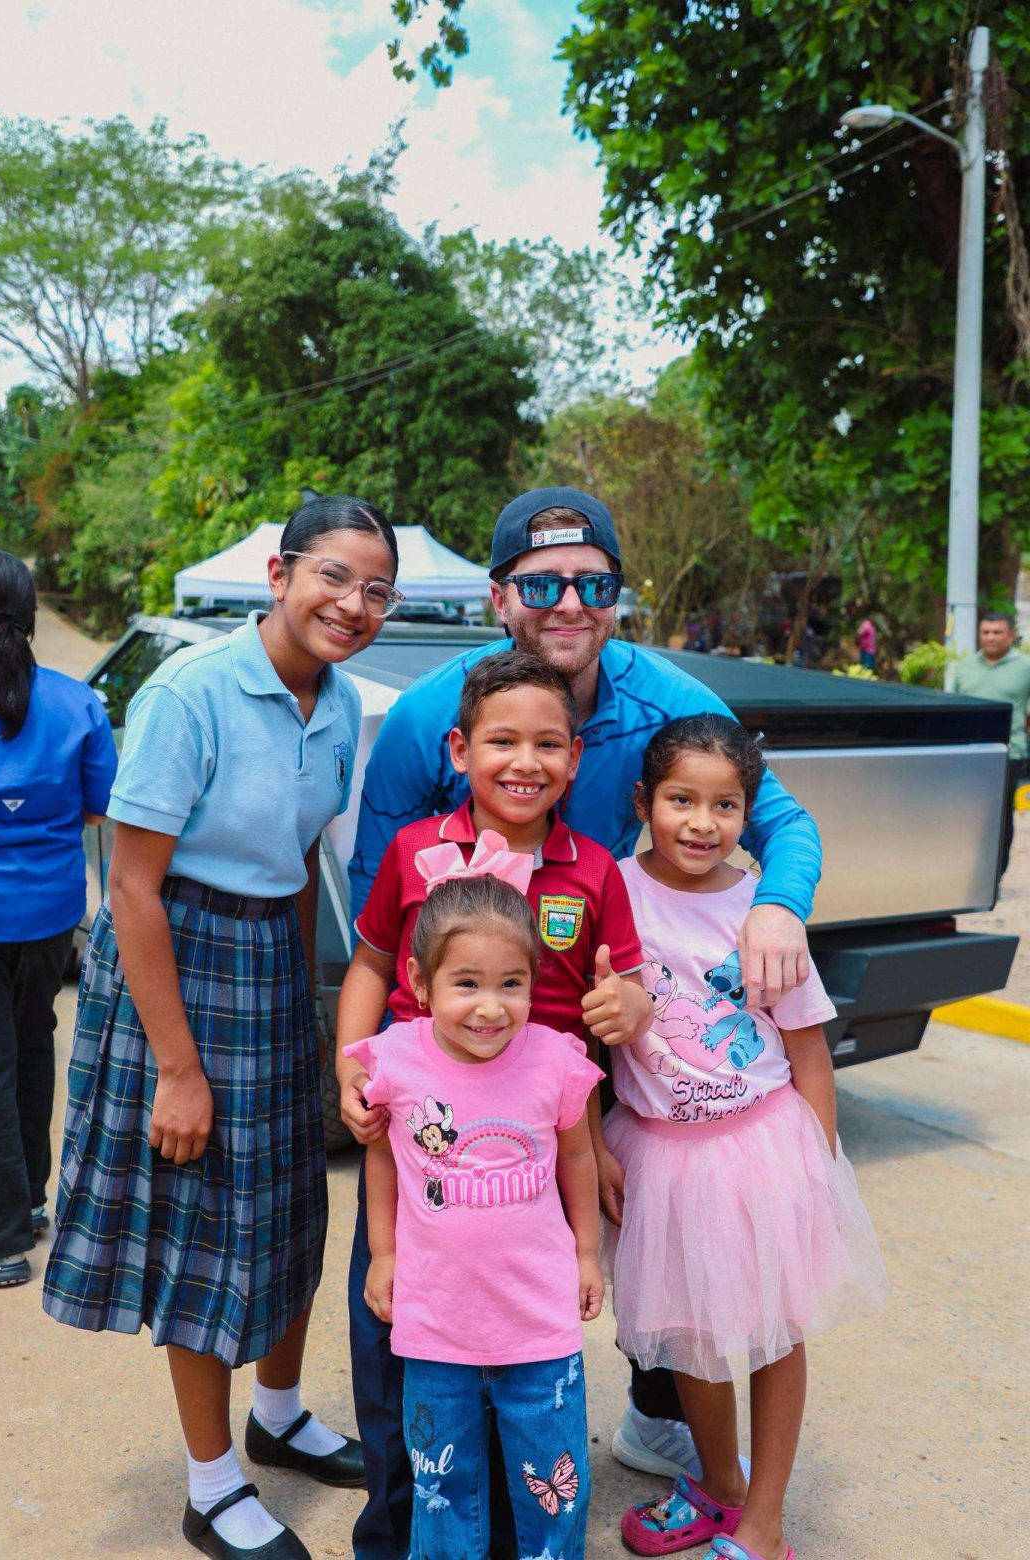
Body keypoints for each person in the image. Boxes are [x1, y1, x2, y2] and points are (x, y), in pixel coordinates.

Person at [347, 487, 823, 1546]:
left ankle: (656, 1428)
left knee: (609, 1233)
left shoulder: (664, 703)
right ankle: (403, 1511)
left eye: (592, 583)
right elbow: (375, 924)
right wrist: (360, 1055)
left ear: (616, 595)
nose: (567, 601)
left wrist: (778, 903)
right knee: (411, 1248)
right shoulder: (429, 717)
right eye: (540, 582)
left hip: (588, 1030)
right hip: (445, 1043)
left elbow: (779, 819)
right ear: (499, 595)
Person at [43, 494, 407, 1560]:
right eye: (334, 576)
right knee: (203, 1225)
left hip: (269, 965)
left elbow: (302, 865)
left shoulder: (338, 704)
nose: (353, 604)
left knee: (294, 1201)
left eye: (375, 589)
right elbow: (133, 890)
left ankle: (280, 1414)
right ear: (280, 575)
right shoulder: (190, 693)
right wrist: (179, 1069)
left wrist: (300, 998)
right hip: (177, 957)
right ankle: (211, 1489)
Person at [338, 649, 649, 1557]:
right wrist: (351, 1071)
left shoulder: (595, 871)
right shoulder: (412, 853)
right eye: (502, 740)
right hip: (420, 1140)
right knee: (400, 1345)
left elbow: (629, 991)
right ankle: (405, 1534)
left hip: (538, 1146)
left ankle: (520, 1538)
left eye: (548, 743)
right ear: (459, 748)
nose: (525, 761)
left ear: (577, 758)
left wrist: (632, 1008)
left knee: (531, 1363)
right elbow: (368, 964)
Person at [603, 714, 888, 1560]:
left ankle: (764, 1523)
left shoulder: (761, 906)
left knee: (774, 1331)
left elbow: (806, 1045)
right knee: (686, 1330)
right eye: (680, 799)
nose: (701, 822)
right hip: (656, 1150)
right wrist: (591, 1141)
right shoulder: (610, 891)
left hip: (760, 1148)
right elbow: (579, 1035)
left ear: (748, 812)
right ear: (643, 801)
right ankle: (720, 1484)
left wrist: (819, 1168)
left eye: (725, 805)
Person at [346, 870, 605, 1560]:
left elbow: (576, 1159)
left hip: (539, 1325)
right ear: (420, 983)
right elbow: (383, 1158)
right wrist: (384, 1254)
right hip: (435, 1326)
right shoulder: (394, 1061)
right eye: (467, 984)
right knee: (442, 1488)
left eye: (510, 984)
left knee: (554, 1489)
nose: (490, 1008)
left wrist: (586, 1254)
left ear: (533, 981)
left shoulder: (554, 1060)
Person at [0, 551, 117, 1290]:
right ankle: (31, 1202)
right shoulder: (77, 704)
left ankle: (2, 1237)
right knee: (33, 1045)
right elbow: (101, 807)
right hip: (50, 916)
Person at [953, 609, 1030, 877]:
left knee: (998, 816)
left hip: (1010, 752)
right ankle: (966, 870)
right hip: (969, 753)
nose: (990, 637)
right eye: (985, 632)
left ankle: (994, 876)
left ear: (1010, 636)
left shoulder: (1025, 667)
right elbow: (956, 711)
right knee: (967, 813)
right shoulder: (965, 668)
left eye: (997, 632)